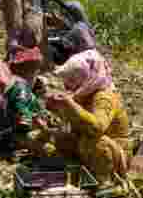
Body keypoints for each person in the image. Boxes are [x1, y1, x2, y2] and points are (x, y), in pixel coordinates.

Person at [37, 50, 132, 185]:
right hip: (88, 145)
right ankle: (74, 172)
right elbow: (75, 123)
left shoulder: (104, 98)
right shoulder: (83, 95)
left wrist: (70, 105)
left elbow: (97, 127)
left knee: (91, 142)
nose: (67, 85)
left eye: (72, 80)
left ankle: (104, 182)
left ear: (88, 77)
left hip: (113, 152)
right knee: (60, 139)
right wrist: (56, 110)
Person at [0, 0, 47, 83]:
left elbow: (15, 16)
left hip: (24, 32)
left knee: (19, 67)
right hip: (37, 30)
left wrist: (13, 40)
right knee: (30, 64)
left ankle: (22, 90)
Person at [49, 1, 98, 66]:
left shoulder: (77, 28)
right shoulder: (85, 26)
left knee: (51, 49)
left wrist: (48, 40)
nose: (64, 17)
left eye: (65, 15)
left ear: (71, 15)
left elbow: (61, 41)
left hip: (83, 62)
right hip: (92, 58)